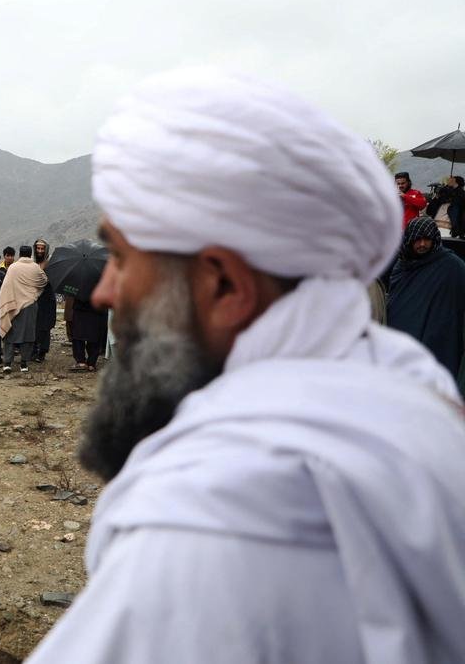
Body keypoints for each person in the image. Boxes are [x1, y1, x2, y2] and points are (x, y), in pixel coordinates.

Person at [26, 68, 465, 663]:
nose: (104, 293)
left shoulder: (206, 528)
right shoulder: (409, 386)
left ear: (226, 285)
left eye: (123, 259)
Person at [386, 216, 465, 380]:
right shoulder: (402, 266)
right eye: (417, 239)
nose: (422, 244)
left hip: (437, 342)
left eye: (427, 239)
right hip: (403, 343)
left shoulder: (452, 266)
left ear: (434, 239)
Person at [0, 245, 46, 373]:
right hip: (30, 305)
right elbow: (43, 281)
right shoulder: (35, 267)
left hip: (13, 305)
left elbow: (6, 286)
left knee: (10, 333)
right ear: (30, 254)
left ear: (19, 254)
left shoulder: (13, 267)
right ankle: (24, 363)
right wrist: (35, 292)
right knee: (27, 334)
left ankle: (7, 363)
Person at [31, 239, 56, 362]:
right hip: (34, 298)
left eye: (42, 249)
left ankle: (42, 352)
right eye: (38, 248)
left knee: (45, 326)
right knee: (34, 325)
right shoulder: (32, 262)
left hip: (47, 298)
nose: (40, 251)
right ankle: (33, 350)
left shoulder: (51, 262)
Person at [69, 297, 107, 371]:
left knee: (78, 335)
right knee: (95, 335)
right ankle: (91, 363)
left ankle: (81, 362)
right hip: (98, 306)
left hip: (82, 306)